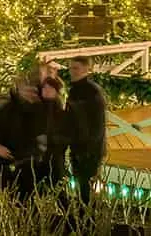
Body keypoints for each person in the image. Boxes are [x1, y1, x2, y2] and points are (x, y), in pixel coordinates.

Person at [64, 56, 107, 204]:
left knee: (86, 187)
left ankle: (88, 217)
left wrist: (89, 147)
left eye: (75, 68)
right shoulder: (75, 90)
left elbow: (97, 123)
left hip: (88, 148)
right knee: (81, 185)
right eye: (70, 68)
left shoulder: (90, 91)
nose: (72, 72)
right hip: (78, 145)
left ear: (86, 69)